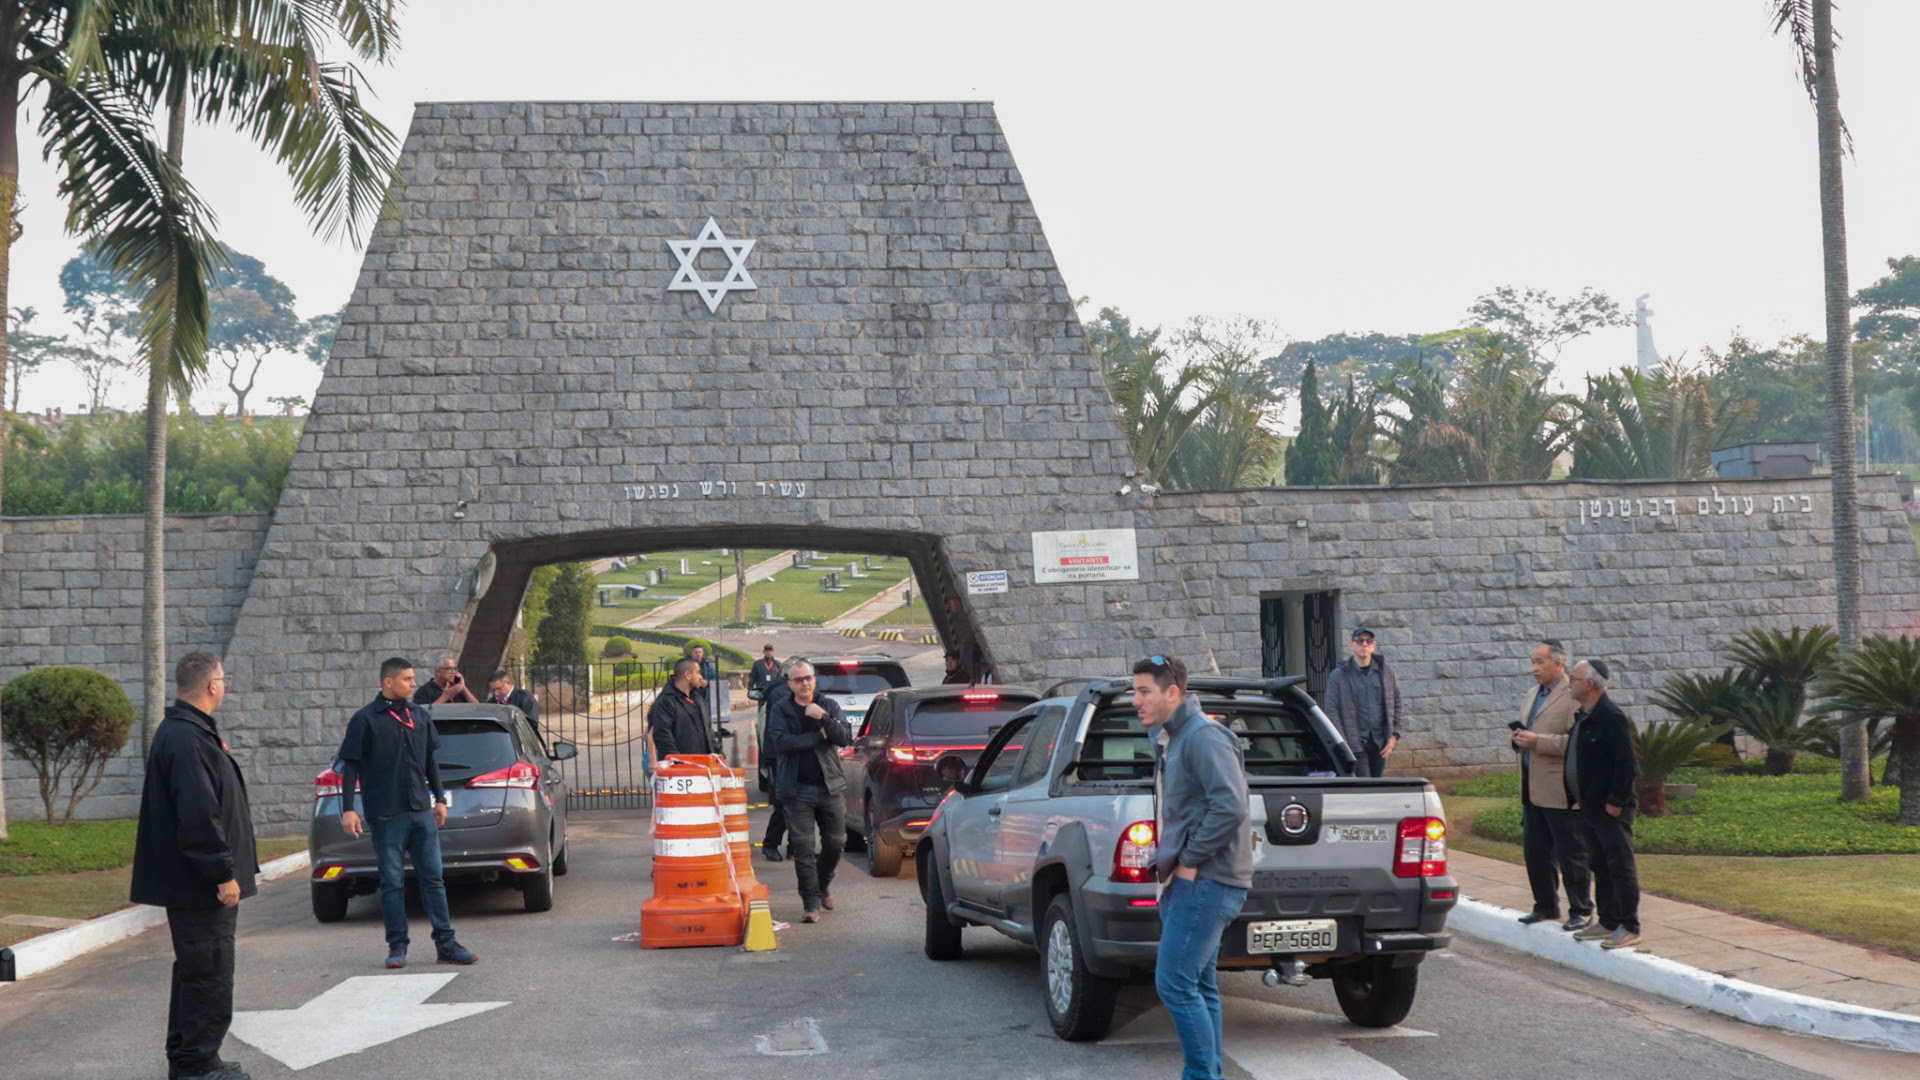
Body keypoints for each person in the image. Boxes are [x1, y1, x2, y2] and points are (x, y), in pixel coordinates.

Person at [131, 651, 259, 1080]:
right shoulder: (186, 739)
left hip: (194, 882)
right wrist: (223, 873)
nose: (225, 685)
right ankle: (199, 1065)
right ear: (211, 685)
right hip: (201, 885)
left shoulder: (188, 732)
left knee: (196, 970)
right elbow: (200, 816)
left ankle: (189, 1058)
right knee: (208, 972)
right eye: (224, 678)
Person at [1137, 654, 1251, 1080]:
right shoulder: (1175, 738)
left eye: (1144, 690)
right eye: (1135, 690)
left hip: (1206, 882)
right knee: (1199, 986)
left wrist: (1189, 860)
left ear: (1173, 693)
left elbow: (1230, 806)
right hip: (1190, 884)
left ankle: (1202, 1076)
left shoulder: (1203, 737)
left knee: (1174, 983)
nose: (1136, 700)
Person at [337, 657, 478, 969]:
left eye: (414, 679)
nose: (415, 684)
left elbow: (430, 761)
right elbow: (351, 766)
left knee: (433, 880)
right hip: (386, 814)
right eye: (408, 679)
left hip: (420, 810)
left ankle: (446, 945)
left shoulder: (419, 715)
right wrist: (348, 809)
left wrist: (439, 799)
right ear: (389, 682)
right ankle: (397, 946)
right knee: (392, 882)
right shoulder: (365, 719)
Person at [1508, 640, 1593, 931]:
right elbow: (1525, 731)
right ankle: (1545, 906)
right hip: (1532, 790)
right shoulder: (1533, 694)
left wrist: (1537, 742)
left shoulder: (1573, 695)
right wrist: (1517, 739)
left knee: (1571, 854)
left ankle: (1581, 909)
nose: (1534, 668)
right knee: (1536, 853)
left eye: (1540, 662)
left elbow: (1580, 742)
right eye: (1532, 661)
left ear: (1559, 664)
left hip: (1560, 791)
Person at [766, 660, 852, 922]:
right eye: (798, 679)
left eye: (808, 678)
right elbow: (782, 743)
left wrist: (823, 718)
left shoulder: (828, 705)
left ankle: (822, 884)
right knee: (803, 847)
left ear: (815, 680)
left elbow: (844, 737)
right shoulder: (781, 709)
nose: (804, 683)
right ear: (790, 684)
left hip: (829, 786)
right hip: (796, 789)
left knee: (836, 842)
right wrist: (818, 736)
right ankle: (811, 904)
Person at [1564, 659, 1642, 950]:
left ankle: (1629, 924)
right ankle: (1608, 920)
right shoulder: (1584, 717)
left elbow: (1626, 764)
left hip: (1610, 809)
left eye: (1574, 678)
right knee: (1599, 863)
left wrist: (1616, 801)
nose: (1570, 683)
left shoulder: (1611, 717)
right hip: (1589, 807)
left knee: (1619, 865)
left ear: (1590, 684)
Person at [1322, 626, 1404, 777]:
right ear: (1351, 645)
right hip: (1354, 744)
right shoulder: (1339, 676)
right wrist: (1342, 743)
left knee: (1376, 787)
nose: (1364, 645)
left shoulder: (1387, 672)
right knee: (1365, 785)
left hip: (1380, 742)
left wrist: (1394, 736)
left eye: (1368, 641)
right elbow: (1331, 710)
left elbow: (1397, 704)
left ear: (1374, 645)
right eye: (1359, 641)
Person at [756, 672, 792, 861]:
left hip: (795, 755)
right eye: (802, 679)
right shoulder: (781, 694)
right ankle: (771, 844)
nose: (806, 684)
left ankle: (795, 847)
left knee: (799, 803)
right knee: (784, 803)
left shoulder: (785, 691)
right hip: (782, 756)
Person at [648, 658, 714, 757]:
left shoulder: (698, 700)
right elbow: (663, 736)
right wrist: (677, 761)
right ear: (687, 675)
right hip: (681, 767)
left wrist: (718, 754)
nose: (701, 677)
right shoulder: (666, 702)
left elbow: (709, 731)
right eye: (697, 672)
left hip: (703, 764)